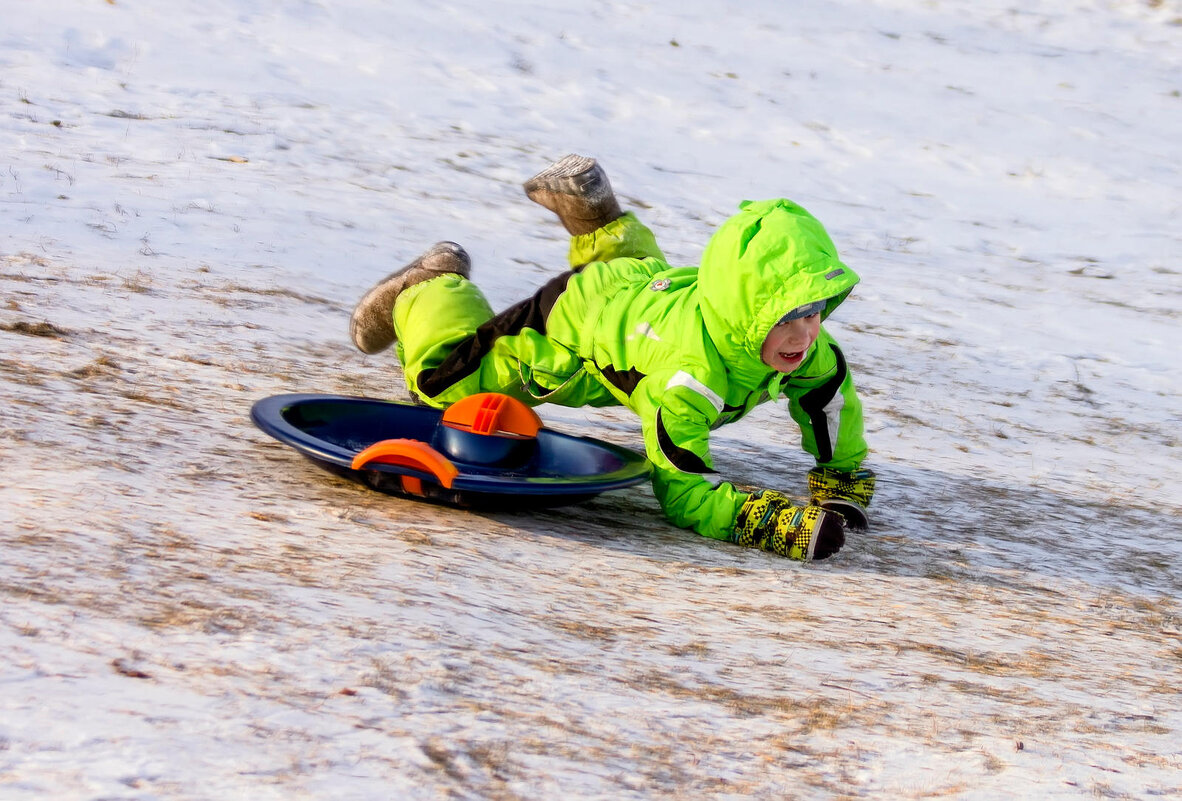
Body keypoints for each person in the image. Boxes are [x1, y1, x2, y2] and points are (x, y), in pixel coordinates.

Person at [348, 154, 876, 561]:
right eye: (785, 317)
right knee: (440, 385)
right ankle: (432, 286)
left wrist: (842, 478)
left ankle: (598, 219)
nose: (805, 334)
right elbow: (683, 490)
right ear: (743, 314)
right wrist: (768, 522)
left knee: (641, 276)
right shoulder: (688, 381)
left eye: (814, 310)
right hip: (576, 324)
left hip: (653, 293)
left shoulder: (807, 344)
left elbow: (831, 400)